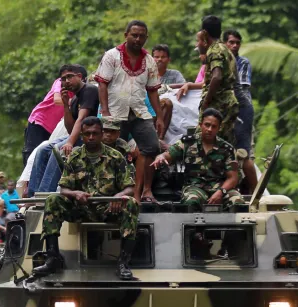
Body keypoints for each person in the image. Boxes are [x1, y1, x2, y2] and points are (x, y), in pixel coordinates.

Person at [33, 117, 139, 280]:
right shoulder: (74, 157)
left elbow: (130, 187)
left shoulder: (115, 157)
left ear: (101, 134)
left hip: (108, 208)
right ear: (82, 135)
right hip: (81, 207)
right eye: (87, 134)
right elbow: (64, 187)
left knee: (131, 203)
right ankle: (53, 258)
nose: (91, 137)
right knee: (53, 200)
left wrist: (118, 197)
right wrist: (75, 194)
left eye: (95, 133)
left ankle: (123, 262)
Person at [95, 20, 164, 204]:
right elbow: (102, 83)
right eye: (134, 35)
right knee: (110, 150)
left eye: (141, 36)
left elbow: (153, 90)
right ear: (126, 35)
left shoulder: (149, 60)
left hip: (139, 111)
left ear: (146, 38)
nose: (138, 39)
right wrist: (105, 110)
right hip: (115, 111)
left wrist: (159, 116)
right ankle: (110, 192)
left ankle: (144, 192)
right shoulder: (112, 56)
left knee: (151, 146)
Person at [150, 108, 247, 210]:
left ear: (219, 128)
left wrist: (220, 192)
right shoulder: (188, 143)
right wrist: (160, 157)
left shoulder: (226, 149)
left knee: (237, 200)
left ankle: (231, 225)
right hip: (195, 187)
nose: (209, 129)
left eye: (214, 126)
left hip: (220, 188)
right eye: (207, 125)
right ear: (200, 125)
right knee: (191, 201)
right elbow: (168, 155)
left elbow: (233, 178)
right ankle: (192, 226)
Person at [29, 64, 97, 197]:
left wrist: (70, 143)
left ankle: (44, 195)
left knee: (58, 150)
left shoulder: (89, 90)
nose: (66, 81)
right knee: (43, 149)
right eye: (63, 79)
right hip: (77, 135)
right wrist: (66, 105)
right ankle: (33, 195)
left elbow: (81, 119)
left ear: (79, 76)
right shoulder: (74, 99)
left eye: (70, 77)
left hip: (91, 135)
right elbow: (70, 128)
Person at [224, 29, 258, 193]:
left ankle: (254, 193)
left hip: (241, 111)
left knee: (244, 155)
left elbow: (239, 89)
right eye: (231, 42)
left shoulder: (242, 63)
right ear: (224, 44)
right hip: (225, 114)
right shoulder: (219, 62)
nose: (235, 45)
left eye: (237, 42)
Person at [198, 16, 239, 146]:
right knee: (225, 144)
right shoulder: (225, 49)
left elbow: (217, 76)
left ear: (204, 32)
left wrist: (206, 101)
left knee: (203, 141)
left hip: (218, 103)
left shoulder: (214, 50)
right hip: (229, 101)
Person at [23, 74, 70, 166]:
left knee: (48, 157)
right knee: (32, 154)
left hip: (55, 129)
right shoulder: (60, 82)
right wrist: (77, 101)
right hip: (40, 122)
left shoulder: (81, 90)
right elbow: (57, 100)